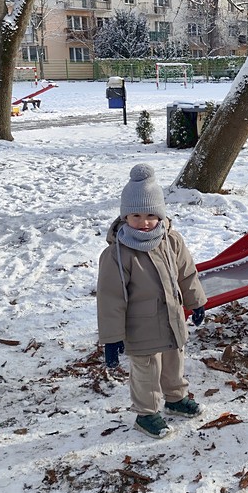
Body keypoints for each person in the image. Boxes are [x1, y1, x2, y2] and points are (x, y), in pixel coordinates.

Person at [97, 163, 207, 438]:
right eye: (136, 215)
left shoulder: (171, 241)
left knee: (173, 362)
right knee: (146, 372)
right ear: (125, 217)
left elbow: (186, 273)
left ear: (160, 214)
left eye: (150, 215)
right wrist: (112, 337)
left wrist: (196, 301)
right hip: (140, 327)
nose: (144, 222)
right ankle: (146, 414)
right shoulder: (117, 255)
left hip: (172, 319)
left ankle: (175, 398)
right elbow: (110, 299)